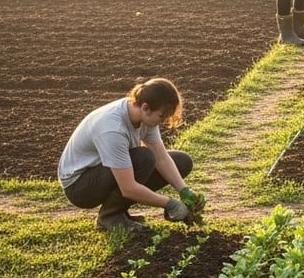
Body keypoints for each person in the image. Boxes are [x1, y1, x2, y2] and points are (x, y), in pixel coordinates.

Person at [57, 78, 205, 231]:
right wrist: (169, 204)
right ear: (146, 108)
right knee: (144, 158)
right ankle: (110, 216)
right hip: (80, 186)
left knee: (182, 161)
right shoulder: (112, 128)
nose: (163, 121)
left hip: (104, 171)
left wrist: (184, 190)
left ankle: (120, 211)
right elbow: (128, 188)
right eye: (162, 116)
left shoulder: (144, 116)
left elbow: (162, 158)